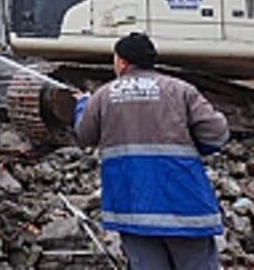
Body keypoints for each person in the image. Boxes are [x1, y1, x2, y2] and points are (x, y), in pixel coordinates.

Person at [73, 32, 229, 270]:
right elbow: (217, 133)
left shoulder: (103, 96)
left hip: (132, 205)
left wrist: (82, 105)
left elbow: (84, 136)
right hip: (183, 204)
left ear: (122, 62)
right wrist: (198, 147)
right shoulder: (180, 90)